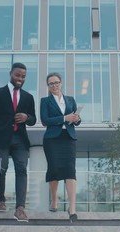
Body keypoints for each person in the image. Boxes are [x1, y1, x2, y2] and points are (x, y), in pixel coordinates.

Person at [0, 62, 36, 222]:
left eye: (23, 76)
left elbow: (33, 119)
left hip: (20, 139)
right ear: (11, 74)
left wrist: (27, 117)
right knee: (1, 168)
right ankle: (0, 200)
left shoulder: (28, 97)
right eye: (18, 75)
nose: (20, 78)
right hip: (1, 139)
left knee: (21, 170)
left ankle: (20, 207)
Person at [40, 72, 81, 223]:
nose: (54, 85)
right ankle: (54, 200)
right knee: (54, 169)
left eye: (56, 82)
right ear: (48, 86)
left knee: (70, 171)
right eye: (51, 83)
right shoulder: (45, 101)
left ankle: (72, 208)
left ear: (61, 83)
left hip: (68, 138)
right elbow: (45, 120)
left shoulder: (70, 100)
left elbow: (76, 120)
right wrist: (64, 118)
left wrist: (76, 118)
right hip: (52, 139)